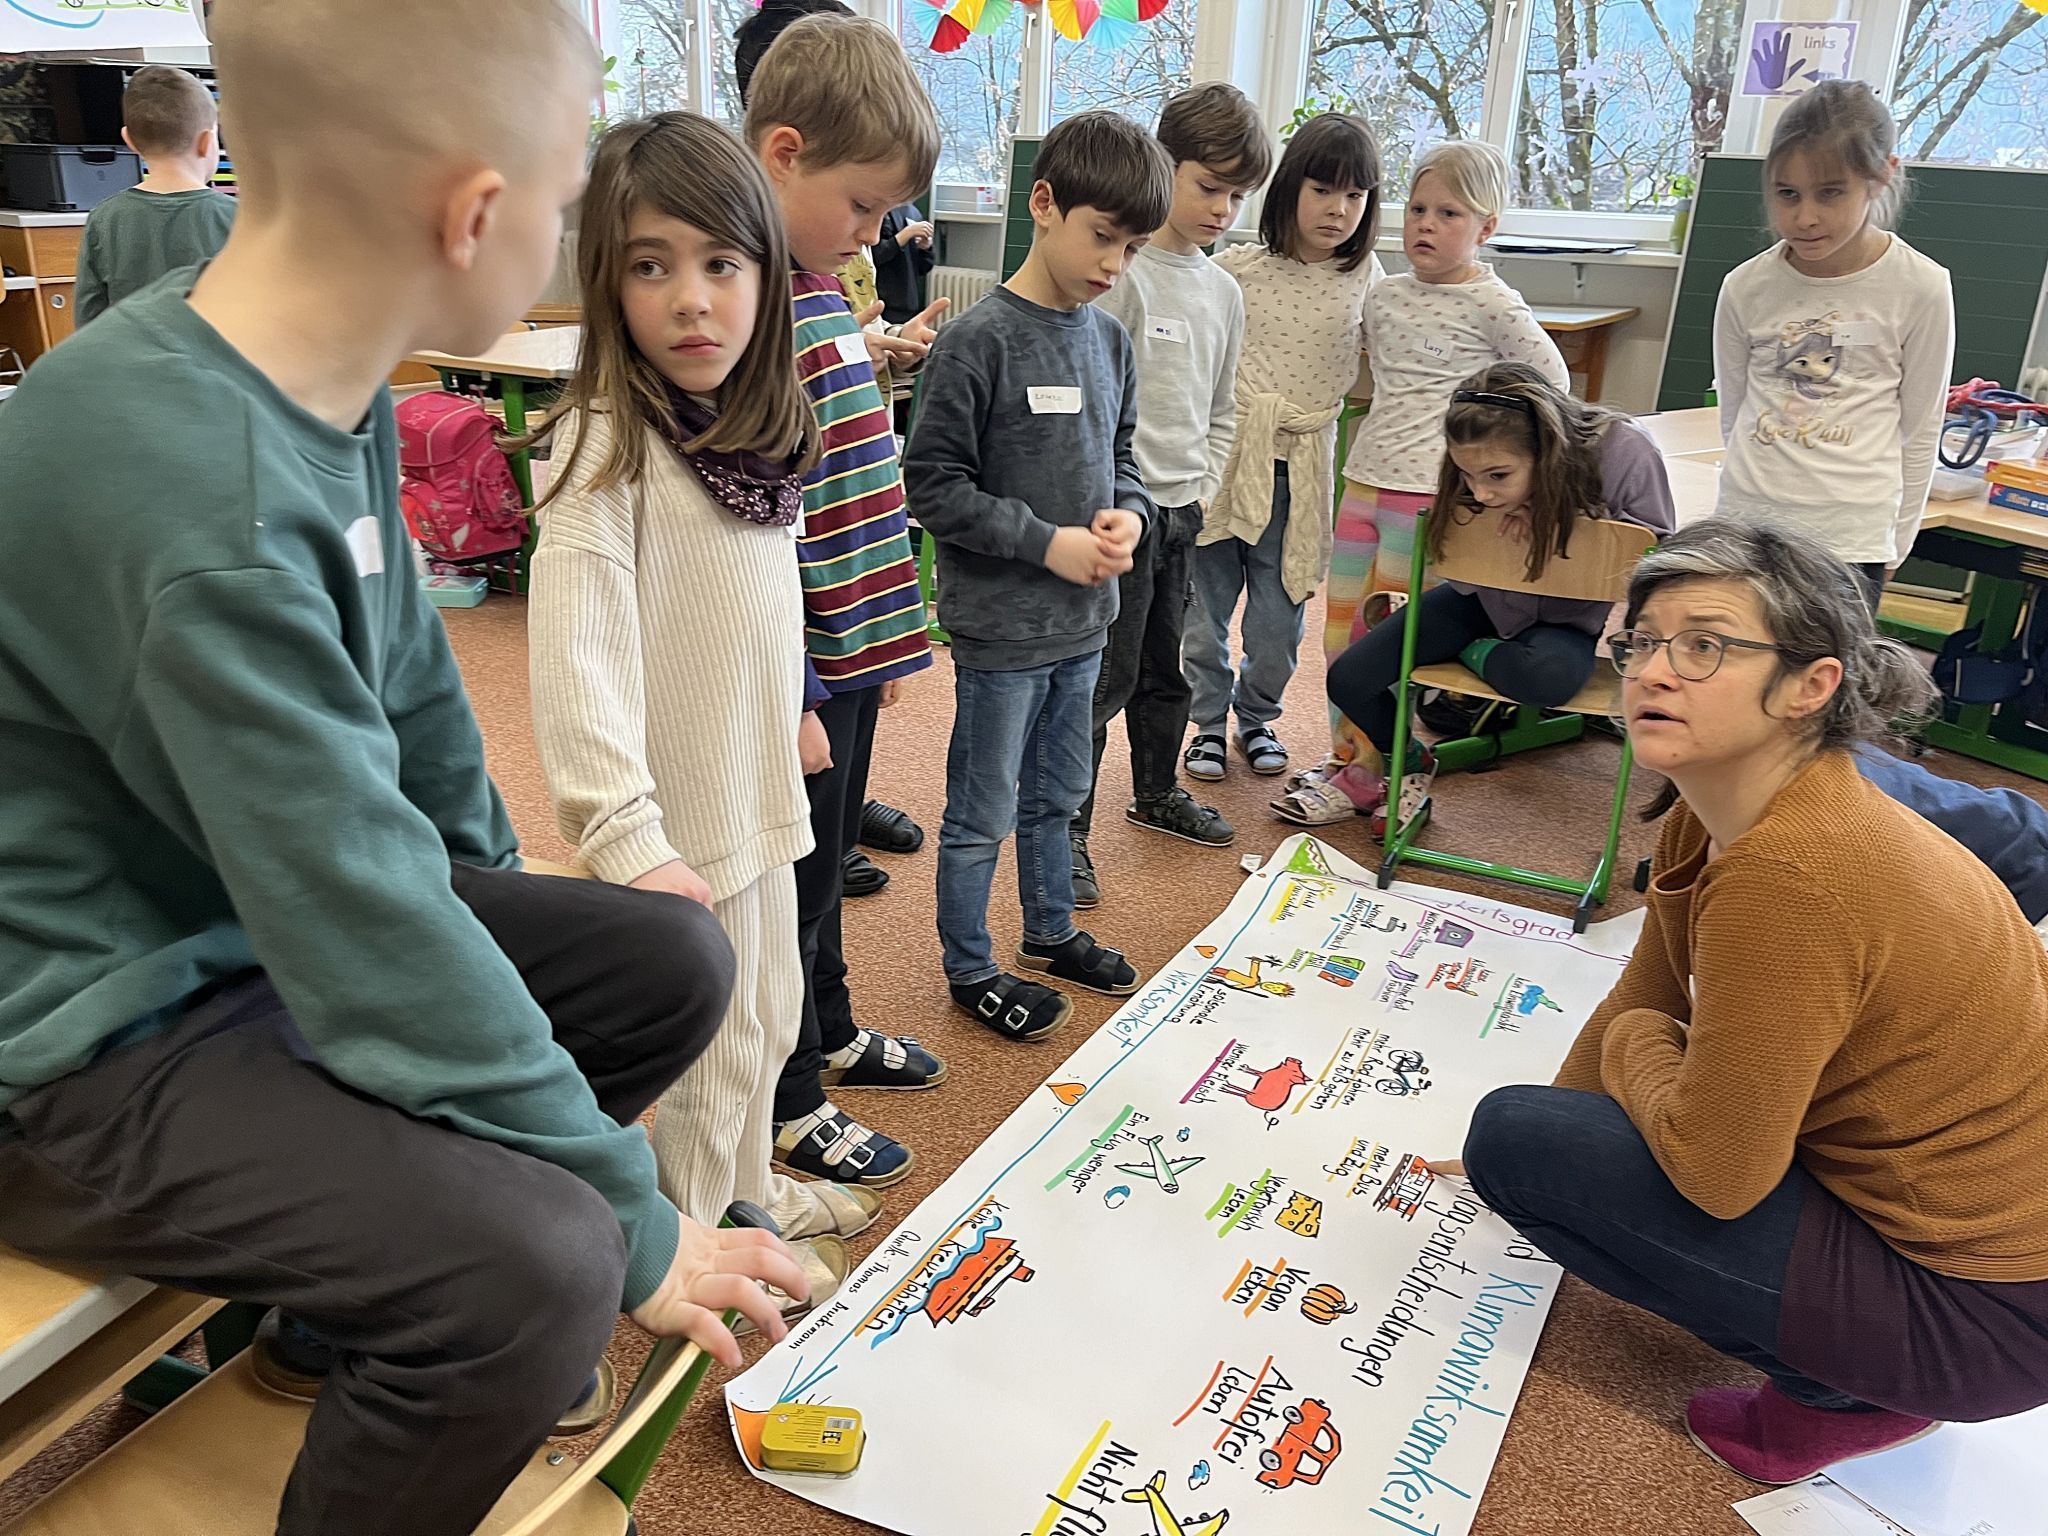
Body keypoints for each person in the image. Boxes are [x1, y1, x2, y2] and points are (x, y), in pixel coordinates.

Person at [0, 4, 802, 1532]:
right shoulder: (202, 497)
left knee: (664, 963)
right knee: (546, 1273)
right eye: (576, 208)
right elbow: (358, 918)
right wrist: (632, 1222)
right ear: (477, 216)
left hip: (243, 944)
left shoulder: (324, 376)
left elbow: (423, 734)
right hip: (78, 1049)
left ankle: (339, 1320)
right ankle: (427, 1340)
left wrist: (498, 924)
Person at [1446, 519, 2048, 1486]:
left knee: (1514, 1137)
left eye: (1707, 645)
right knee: (1534, 1135)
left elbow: (1717, 1168)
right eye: (1641, 641)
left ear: (1813, 685)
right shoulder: (1726, 806)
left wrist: (1621, 1071)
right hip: (1979, 1248)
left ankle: (1851, 1399)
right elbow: (1648, 980)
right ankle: (1854, 1348)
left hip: (1988, 1316)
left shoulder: (1795, 872)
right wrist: (1572, 1121)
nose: (1652, 671)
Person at [529, 113, 883, 1327]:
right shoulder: (603, 442)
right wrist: (627, 838)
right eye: (650, 265)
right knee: (708, 1056)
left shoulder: (749, 429)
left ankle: (746, 1198)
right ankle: (696, 1246)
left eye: (720, 265)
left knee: (772, 1022)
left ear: (763, 277)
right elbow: (576, 667)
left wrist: (790, 708)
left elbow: (756, 602)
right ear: (608, 279)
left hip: (758, 793)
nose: (691, 301)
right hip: (678, 832)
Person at [905, 110, 1171, 1041]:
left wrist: (1127, 515)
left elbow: (1125, 459)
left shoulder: (1110, 344)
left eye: (1132, 247)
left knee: (1061, 795)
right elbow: (931, 486)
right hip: (1002, 630)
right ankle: (969, 965)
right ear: (1044, 204)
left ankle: (1051, 932)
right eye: (1103, 237)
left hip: (1083, 626)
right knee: (983, 808)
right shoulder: (977, 341)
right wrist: (1044, 541)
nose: (1114, 264)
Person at [743, 13, 950, 1184]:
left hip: (861, 640)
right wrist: (801, 686)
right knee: (796, 882)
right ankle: (787, 1101)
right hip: (812, 656)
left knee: (824, 877)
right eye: (862, 205)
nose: (874, 231)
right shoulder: (755, 296)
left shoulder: (816, 280)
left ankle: (824, 1032)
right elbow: (759, 525)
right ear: (782, 155)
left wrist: (872, 354)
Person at [1313, 362, 1674, 834]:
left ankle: (1467, 650)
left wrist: (1564, 514)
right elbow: (1456, 531)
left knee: (1544, 681)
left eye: (1498, 476)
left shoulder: (1626, 449)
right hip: (1482, 599)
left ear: (1545, 452)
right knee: (1350, 677)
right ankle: (1410, 761)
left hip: (1564, 617)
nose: (1480, 493)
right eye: (1468, 476)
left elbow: (1655, 551)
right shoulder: (1477, 473)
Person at [1070, 83, 1273, 911]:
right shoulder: (1125, 271)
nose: (1222, 207)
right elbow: (1092, 396)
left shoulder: (1224, 291)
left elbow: (1223, 405)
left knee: (1168, 669)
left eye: (1236, 193)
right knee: (1099, 681)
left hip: (1184, 510)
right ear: (1164, 169)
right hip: (1117, 513)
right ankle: (1067, 834)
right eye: (1208, 185)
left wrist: (1202, 484)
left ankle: (1154, 791)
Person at [1321, 140, 1571, 786]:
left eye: (1450, 214)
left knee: (1396, 646)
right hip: (1363, 483)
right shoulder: (1386, 294)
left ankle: (1393, 772)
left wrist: (1492, 465)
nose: (1426, 225)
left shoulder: (1492, 303)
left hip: (1432, 499)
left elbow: (1553, 384)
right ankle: (1355, 763)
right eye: (1418, 208)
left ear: (1487, 228)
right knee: (1339, 636)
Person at [1181, 113, 1382, 786]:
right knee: (1204, 613)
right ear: (1291, 187)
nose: (1339, 209)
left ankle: (1256, 715)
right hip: (1225, 461)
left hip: (1302, 468)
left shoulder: (1369, 282)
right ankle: (1207, 726)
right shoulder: (1234, 270)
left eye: (1356, 195)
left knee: (1278, 621)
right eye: (1324, 189)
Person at [1713, 79, 1955, 609]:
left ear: (1881, 176)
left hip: (1850, 535)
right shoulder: (1745, 287)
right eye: (1787, 194)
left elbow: (1919, 427)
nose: (1805, 217)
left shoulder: (1922, 287)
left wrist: (1897, 540)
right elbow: (1734, 411)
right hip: (1746, 525)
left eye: (1830, 193)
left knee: (1823, 682)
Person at [75, 64, 237, 325]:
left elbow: (89, 317)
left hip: (131, 363)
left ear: (129, 141)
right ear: (208, 140)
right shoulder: (238, 218)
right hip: (219, 363)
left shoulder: (104, 219)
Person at [875, 201, 936, 325]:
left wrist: (926, 249)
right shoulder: (879, 212)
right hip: (883, 302)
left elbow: (922, 268)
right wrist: (905, 234)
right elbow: (876, 256)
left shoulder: (913, 212)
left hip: (907, 299)